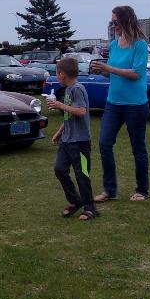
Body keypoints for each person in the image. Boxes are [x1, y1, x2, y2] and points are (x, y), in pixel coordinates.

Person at [90, 5, 150, 203]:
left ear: (126, 20)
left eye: (116, 21)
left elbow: (136, 74)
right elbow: (114, 72)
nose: (113, 25)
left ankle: (142, 190)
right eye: (112, 22)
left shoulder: (140, 45)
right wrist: (102, 71)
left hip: (135, 105)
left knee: (138, 148)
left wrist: (109, 68)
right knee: (104, 144)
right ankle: (110, 190)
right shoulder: (115, 44)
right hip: (113, 103)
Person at [48, 57, 96, 220]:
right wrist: (59, 131)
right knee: (59, 170)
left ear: (62, 74)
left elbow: (81, 111)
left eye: (57, 73)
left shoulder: (77, 89)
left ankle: (90, 208)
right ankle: (75, 201)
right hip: (67, 140)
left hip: (80, 142)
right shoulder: (68, 90)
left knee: (82, 174)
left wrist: (59, 105)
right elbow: (70, 114)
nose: (57, 76)